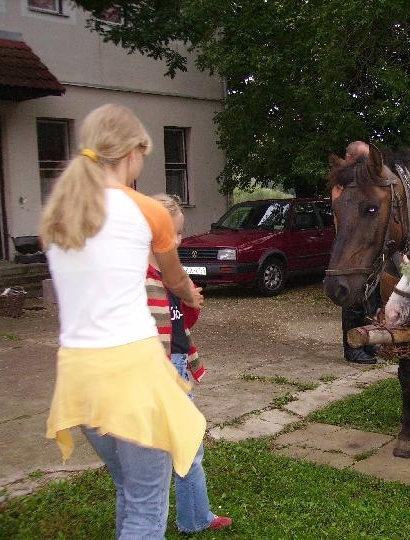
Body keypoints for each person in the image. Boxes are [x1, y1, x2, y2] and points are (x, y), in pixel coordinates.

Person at [41, 103, 206, 539]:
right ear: (133, 151)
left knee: (130, 491)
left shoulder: (58, 216)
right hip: (132, 373)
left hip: (79, 377)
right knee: (147, 508)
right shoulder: (147, 211)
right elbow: (175, 280)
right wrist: (192, 295)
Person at [147, 194, 232, 533]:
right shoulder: (148, 278)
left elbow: (182, 323)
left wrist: (190, 300)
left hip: (179, 364)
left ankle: (195, 518)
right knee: (179, 452)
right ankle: (192, 519)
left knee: (186, 450)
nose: (178, 241)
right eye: (172, 234)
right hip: (165, 372)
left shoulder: (172, 276)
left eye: (180, 234)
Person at [334, 140, 379, 364]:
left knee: (370, 296)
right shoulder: (343, 183)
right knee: (351, 296)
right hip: (349, 246)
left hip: (364, 245)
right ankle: (352, 348)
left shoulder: (361, 180)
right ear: (350, 158)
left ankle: (368, 341)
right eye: (362, 159)